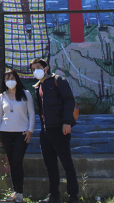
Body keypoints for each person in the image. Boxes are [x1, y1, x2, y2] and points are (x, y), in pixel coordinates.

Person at [30, 58, 78, 203]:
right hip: (46, 131)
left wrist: (67, 122)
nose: (35, 70)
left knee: (67, 163)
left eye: (38, 67)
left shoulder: (58, 80)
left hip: (60, 129)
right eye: (33, 69)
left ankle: (73, 196)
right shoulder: (38, 87)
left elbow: (69, 101)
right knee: (50, 165)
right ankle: (54, 196)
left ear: (46, 68)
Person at [0, 69, 35, 202]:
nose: (10, 80)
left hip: (22, 133)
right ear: (4, 81)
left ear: (17, 79)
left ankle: (20, 193)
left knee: (17, 161)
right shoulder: (1, 96)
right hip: (5, 132)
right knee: (12, 162)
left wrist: (30, 130)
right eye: (7, 78)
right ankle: (14, 192)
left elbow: (32, 113)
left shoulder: (26, 94)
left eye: (12, 78)